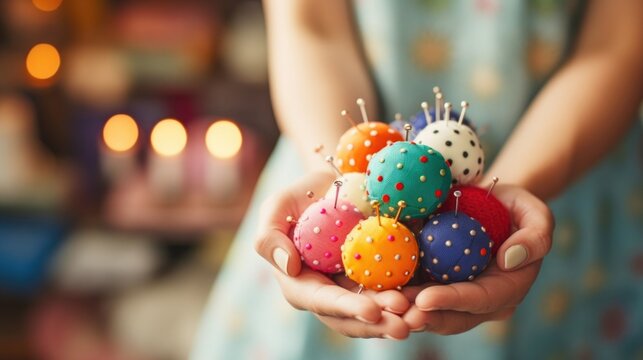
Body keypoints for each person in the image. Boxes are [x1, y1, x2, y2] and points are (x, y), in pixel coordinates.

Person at [192, 0, 643, 359]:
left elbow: (616, 46)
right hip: (332, 164)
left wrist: (510, 192)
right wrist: (343, 179)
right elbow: (313, 29)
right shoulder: (346, 192)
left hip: (567, 174)